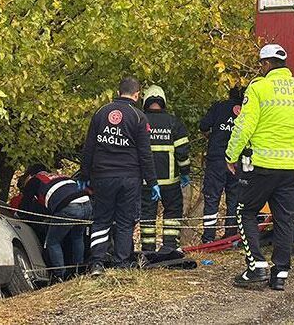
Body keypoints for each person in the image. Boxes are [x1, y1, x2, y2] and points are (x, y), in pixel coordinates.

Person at [225, 44, 294, 291]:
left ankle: (256, 266)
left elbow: (244, 126)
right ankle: (280, 274)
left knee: (246, 211)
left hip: (264, 166)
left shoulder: (259, 88)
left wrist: (231, 155)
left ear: (265, 64)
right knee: (284, 219)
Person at [79, 76, 159, 277]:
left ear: (117, 92)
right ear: (137, 95)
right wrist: (152, 181)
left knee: (101, 220)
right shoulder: (139, 117)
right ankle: (121, 263)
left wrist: (84, 174)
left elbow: (89, 147)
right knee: (125, 221)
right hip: (129, 178)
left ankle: (96, 263)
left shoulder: (100, 113)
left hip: (103, 176)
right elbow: (145, 154)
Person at [18, 164, 92, 282]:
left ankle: (60, 275)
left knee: (53, 242)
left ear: (30, 175)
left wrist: (21, 215)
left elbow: (25, 206)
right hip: (86, 203)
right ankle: (79, 270)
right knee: (77, 237)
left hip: (69, 207)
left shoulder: (34, 180)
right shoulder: (59, 176)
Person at [140, 85, 190, 252]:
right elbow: (182, 153)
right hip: (170, 182)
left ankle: (147, 249)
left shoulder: (140, 121)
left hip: (146, 182)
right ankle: (169, 247)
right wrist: (185, 174)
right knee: (172, 213)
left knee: (147, 216)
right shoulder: (173, 122)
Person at [199, 86, 245, 242]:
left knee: (212, 198)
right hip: (237, 161)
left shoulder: (219, 107)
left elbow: (203, 126)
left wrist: (213, 137)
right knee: (234, 198)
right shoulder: (248, 109)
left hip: (217, 159)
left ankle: (208, 238)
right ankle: (231, 237)